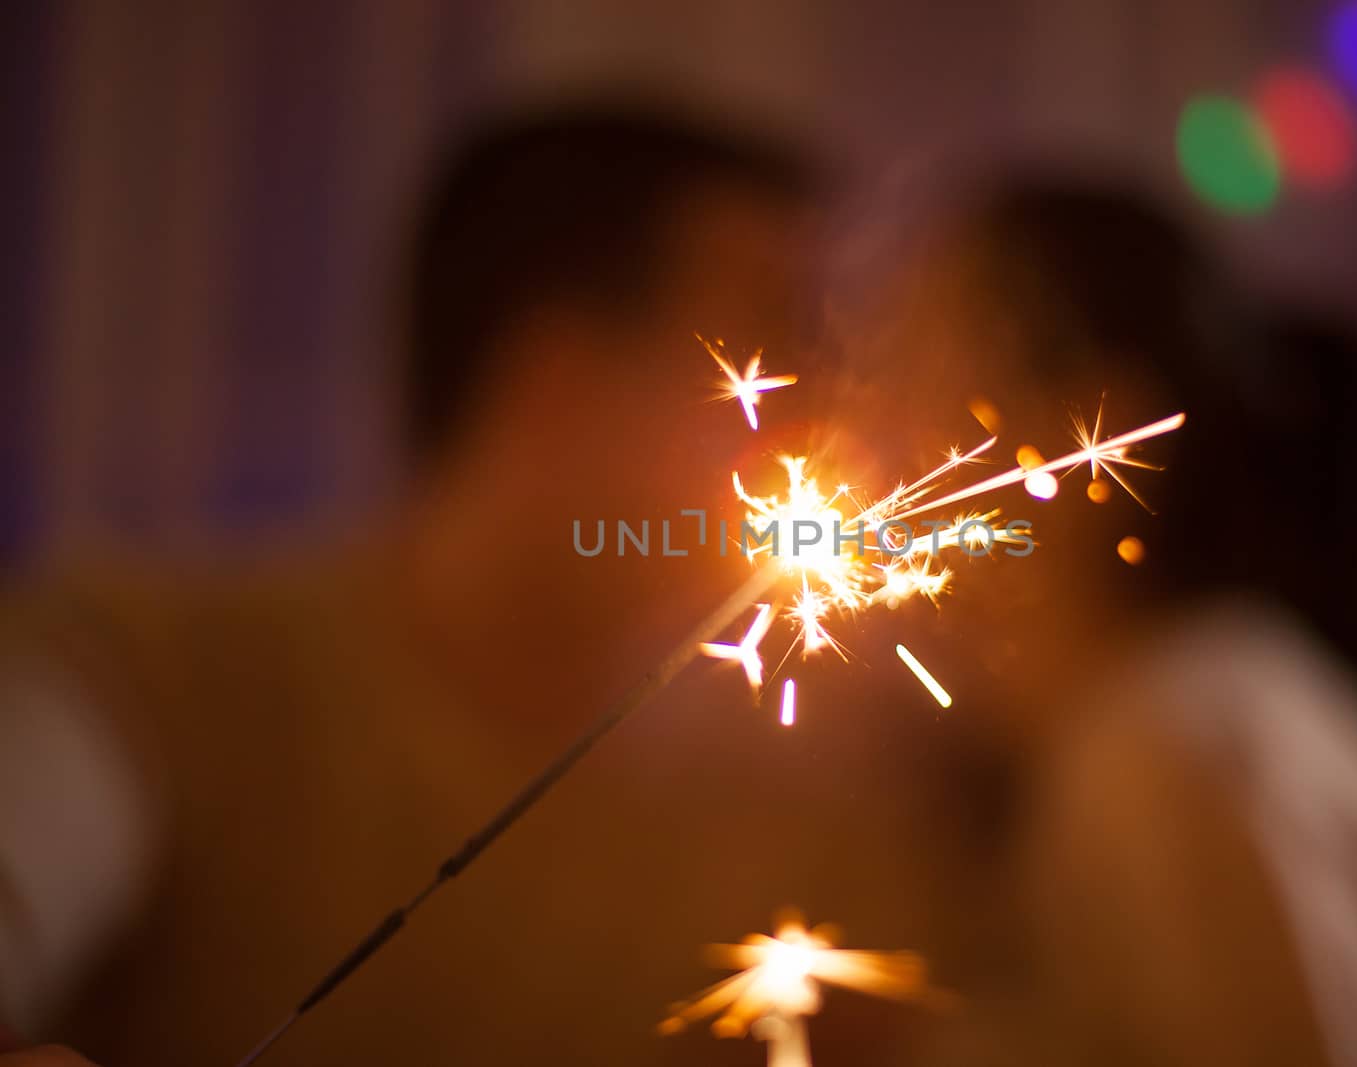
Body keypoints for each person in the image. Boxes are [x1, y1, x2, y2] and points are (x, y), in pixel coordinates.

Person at [0, 101, 904, 1065]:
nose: (834, 418)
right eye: (777, 348)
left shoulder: (812, 803)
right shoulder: (153, 667)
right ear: (557, 385)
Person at [879, 178, 1357, 1066]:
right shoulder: (1153, 718)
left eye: (923, 363)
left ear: (1093, 438)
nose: (870, 423)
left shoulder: (1180, 743)